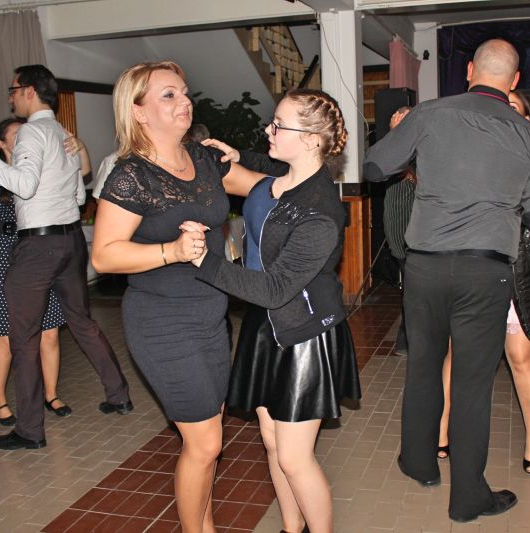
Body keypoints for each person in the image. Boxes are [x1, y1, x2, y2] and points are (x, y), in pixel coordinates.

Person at [363, 39, 530, 523]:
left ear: (469, 70)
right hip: (485, 270)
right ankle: (468, 497)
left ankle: (419, 462)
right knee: (472, 383)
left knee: (424, 364)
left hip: (424, 265)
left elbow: (374, 166)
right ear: (514, 81)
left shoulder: (430, 114)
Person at [90, 61, 263, 533]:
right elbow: (104, 255)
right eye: (168, 95)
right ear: (138, 111)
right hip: (162, 322)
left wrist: (292, 160)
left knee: (208, 439)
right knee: (205, 444)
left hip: (211, 316)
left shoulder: (203, 160)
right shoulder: (131, 176)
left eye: (184, 92)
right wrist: (171, 250)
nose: (184, 101)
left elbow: (260, 187)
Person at [196, 89, 360, 533]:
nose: (269, 129)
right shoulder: (281, 177)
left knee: (293, 455)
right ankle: (291, 527)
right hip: (264, 325)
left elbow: (275, 289)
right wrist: (240, 155)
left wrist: (205, 263)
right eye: (272, 121)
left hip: (302, 332)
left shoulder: (320, 210)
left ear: (310, 139)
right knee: (271, 442)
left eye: (278, 125)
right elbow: (266, 172)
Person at [0, 64, 132, 451]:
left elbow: (24, 185)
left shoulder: (31, 132)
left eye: (13, 90)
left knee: (24, 338)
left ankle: (29, 430)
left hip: (38, 247)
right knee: (82, 322)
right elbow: (78, 195)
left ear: (29, 91)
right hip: (71, 240)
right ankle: (118, 394)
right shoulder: (61, 133)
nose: (10, 98)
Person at [437, 90, 530, 474]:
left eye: (512, 107)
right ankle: (442, 428)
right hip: (469, 265)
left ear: (527, 118)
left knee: (521, 358)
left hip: (516, 267)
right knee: (457, 356)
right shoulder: (470, 145)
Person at [0, 118, 89, 425]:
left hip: (40, 253)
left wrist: (80, 147)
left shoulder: (41, 171)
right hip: (5, 257)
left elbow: (83, 171)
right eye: (17, 134)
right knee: (6, 337)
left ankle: (51, 394)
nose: (26, 136)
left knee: (49, 333)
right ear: (2, 144)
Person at [382, 106, 415, 356]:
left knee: (415, 295)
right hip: (403, 240)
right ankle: (406, 342)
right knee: (413, 295)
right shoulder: (395, 155)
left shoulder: (421, 151)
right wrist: (395, 135)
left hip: (421, 238)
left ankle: (408, 342)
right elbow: (383, 166)